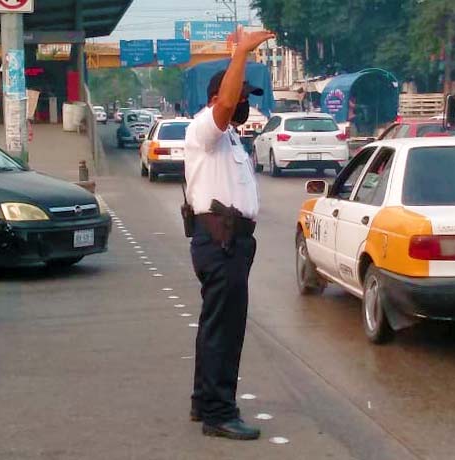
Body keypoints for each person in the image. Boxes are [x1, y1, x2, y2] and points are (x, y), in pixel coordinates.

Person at [183, 27, 275, 441]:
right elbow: (223, 104)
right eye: (240, 97)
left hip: (233, 243)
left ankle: (205, 401)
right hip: (220, 241)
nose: (243, 104)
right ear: (222, 98)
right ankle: (219, 412)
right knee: (225, 330)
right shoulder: (205, 128)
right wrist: (240, 53)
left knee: (215, 325)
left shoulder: (232, 139)